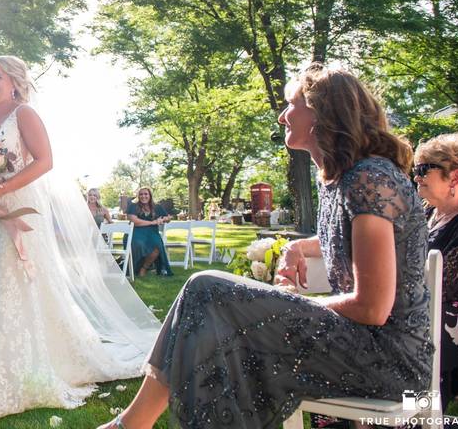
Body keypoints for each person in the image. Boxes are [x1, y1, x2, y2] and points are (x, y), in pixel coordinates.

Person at [99, 63, 432, 429]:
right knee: (209, 306)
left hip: (388, 362)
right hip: (355, 344)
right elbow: (349, 239)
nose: (281, 116)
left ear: (322, 113)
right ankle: (131, 425)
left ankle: (130, 425)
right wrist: (298, 248)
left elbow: (372, 308)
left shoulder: (370, 178)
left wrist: (292, 304)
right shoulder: (346, 179)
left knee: (206, 289)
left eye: (291, 104)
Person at [0, 56, 163, 427]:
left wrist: (2, 186)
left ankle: (11, 372)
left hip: (22, 210)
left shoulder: (25, 114)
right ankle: (22, 356)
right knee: (3, 285)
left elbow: (45, 161)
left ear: (15, 82)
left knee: (20, 279)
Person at [414, 133, 458, 399]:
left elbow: (448, 285)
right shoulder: (426, 214)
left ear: (455, 177)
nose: (416, 176)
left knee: (404, 336)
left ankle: (417, 417)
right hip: (425, 309)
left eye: (423, 169)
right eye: (415, 169)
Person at [125, 188, 172, 277]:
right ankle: (133, 268)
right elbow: (134, 221)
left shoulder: (157, 207)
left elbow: (167, 217)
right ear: (138, 196)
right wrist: (152, 222)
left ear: (150, 195)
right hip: (136, 232)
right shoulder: (133, 206)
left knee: (157, 245)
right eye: (141, 194)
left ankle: (144, 268)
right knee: (138, 244)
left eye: (146, 194)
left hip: (152, 232)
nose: (143, 196)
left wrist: (166, 219)